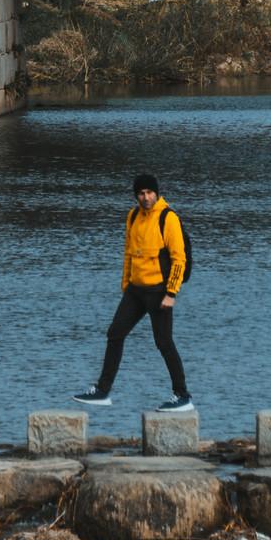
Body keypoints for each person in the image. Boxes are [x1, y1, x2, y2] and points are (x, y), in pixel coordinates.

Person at [74, 173, 193, 411]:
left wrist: (171, 293)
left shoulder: (168, 218)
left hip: (160, 292)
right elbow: (129, 252)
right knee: (115, 333)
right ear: (136, 195)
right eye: (141, 193)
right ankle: (102, 391)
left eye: (150, 192)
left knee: (164, 343)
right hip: (135, 291)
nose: (146, 197)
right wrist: (125, 284)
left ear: (156, 193)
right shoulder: (133, 216)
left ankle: (182, 396)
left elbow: (178, 258)